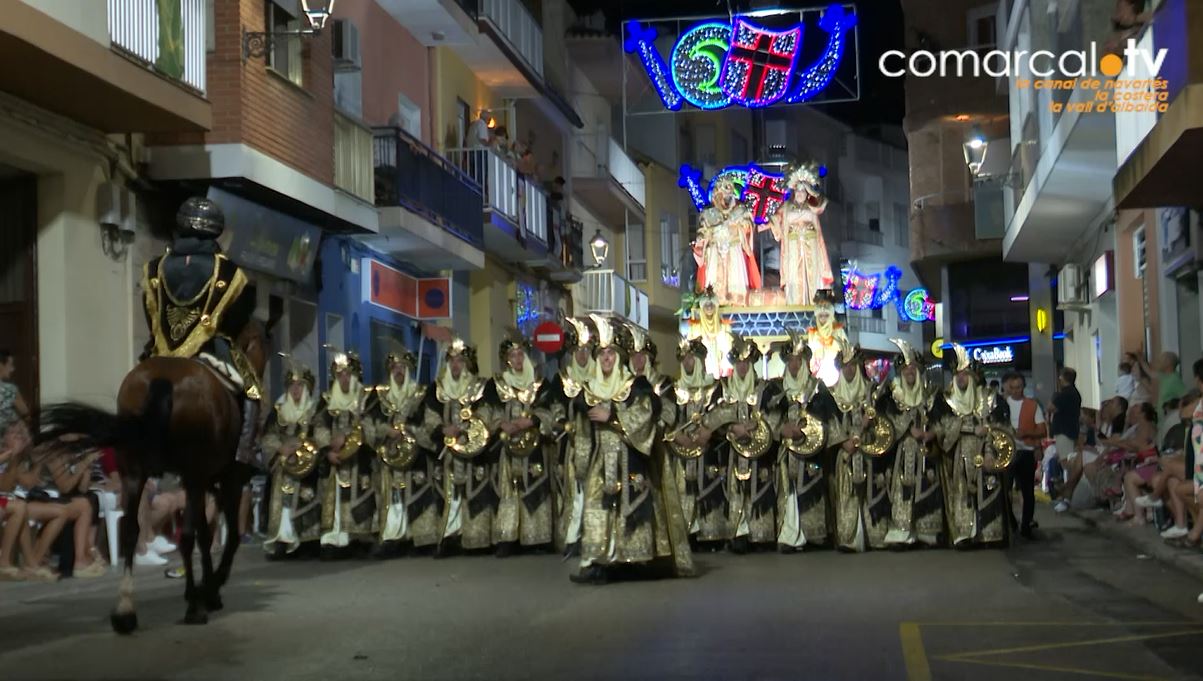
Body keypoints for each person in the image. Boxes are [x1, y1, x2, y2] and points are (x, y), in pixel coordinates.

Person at [570, 315, 692, 584]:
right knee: (598, 508)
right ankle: (600, 562)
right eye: (601, 355)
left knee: (631, 507)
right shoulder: (588, 389)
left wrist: (612, 416)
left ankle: (632, 560)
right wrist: (581, 462)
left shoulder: (636, 386)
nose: (606, 360)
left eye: (611, 355)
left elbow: (646, 414)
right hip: (600, 460)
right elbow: (582, 428)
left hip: (631, 457)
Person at [140, 197, 262, 466]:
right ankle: (245, 449)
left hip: (162, 350)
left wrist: (159, 340)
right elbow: (236, 322)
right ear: (215, 231)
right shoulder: (229, 272)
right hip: (209, 348)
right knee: (251, 386)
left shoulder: (154, 267)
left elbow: (150, 311)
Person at [702, 335, 782, 553]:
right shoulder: (724, 388)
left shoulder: (765, 389)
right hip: (732, 453)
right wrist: (730, 428)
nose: (743, 366)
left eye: (746, 362)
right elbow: (712, 419)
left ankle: (761, 534)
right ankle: (737, 533)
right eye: (739, 363)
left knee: (761, 486)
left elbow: (775, 418)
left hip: (760, 453)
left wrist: (756, 427)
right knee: (734, 491)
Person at [421, 338, 499, 557]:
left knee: (475, 493)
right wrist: (442, 429)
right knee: (450, 495)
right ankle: (450, 537)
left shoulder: (481, 387)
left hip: (474, 453)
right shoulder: (438, 388)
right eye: (452, 361)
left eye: (460, 361)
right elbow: (430, 415)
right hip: (447, 456)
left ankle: (476, 539)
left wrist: (468, 429)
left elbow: (486, 412)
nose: (456, 366)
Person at [937, 344, 1015, 547]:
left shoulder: (988, 399)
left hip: (986, 452)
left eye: (965, 374)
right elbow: (942, 430)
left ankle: (990, 534)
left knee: (989, 489)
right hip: (960, 454)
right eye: (958, 374)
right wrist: (964, 427)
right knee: (962, 493)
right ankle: (965, 534)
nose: (961, 378)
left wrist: (990, 442)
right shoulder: (947, 401)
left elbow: (1002, 428)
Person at [366, 344, 440, 558]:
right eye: (395, 367)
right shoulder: (379, 397)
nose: (398, 371)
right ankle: (392, 537)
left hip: (416, 457)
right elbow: (368, 424)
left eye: (402, 367)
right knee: (393, 497)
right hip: (389, 458)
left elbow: (430, 425)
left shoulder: (420, 395)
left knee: (417, 493)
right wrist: (385, 430)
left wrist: (410, 431)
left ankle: (419, 539)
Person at [492, 332, 555, 557]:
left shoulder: (539, 384)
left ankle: (538, 537)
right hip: (508, 446)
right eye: (513, 355)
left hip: (534, 446)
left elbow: (549, 409)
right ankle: (508, 538)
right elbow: (488, 411)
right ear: (507, 359)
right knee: (510, 488)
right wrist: (501, 423)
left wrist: (532, 420)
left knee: (535, 484)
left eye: (521, 355)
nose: (517, 359)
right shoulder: (498, 385)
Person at [770, 330, 833, 552]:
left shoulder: (816, 388)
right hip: (786, 452)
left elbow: (827, 418)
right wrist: (781, 430)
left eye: (799, 360)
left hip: (811, 451)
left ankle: (813, 534)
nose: (795, 365)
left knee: (812, 487)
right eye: (791, 361)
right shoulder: (776, 388)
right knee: (787, 492)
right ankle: (789, 535)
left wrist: (810, 431)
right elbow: (768, 419)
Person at [828, 341, 891, 552]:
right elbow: (830, 423)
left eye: (853, 365)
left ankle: (873, 537)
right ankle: (849, 538)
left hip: (868, 453)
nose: (849, 369)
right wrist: (843, 442)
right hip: (845, 454)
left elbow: (882, 422)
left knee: (871, 492)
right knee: (847, 495)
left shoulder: (871, 392)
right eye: (845, 366)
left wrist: (867, 428)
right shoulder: (833, 394)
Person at [261, 358, 325, 558]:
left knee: (306, 499)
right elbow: (268, 436)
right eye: (292, 386)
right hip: (283, 467)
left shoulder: (315, 411)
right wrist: (281, 448)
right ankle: (282, 540)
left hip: (308, 467)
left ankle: (306, 542)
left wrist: (305, 446)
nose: (295, 390)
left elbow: (323, 436)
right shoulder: (279, 411)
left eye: (300, 386)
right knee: (283, 503)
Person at [883, 339, 942, 547]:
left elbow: (940, 421)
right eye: (906, 369)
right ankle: (902, 533)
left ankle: (927, 534)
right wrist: (908, 428)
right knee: (902, 490)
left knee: (928, 485)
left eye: (913, 369)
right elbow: (886, 422)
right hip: (900, 452)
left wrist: (932, 433)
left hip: (926, 452)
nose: (910, 372)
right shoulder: (892, 396)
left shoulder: (930, 395)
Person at [317, 349, 376, 558]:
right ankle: (333, 540)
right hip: (334, 461)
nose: (343, 378)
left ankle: (357, 538)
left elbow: (372, 429)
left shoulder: (366, 399)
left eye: (347, 374)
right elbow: (319, 427)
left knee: (359, 497)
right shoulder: (327, 400)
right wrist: (327, 450)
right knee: (333, 501)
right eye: (339, 374)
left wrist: (350, 435)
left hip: (359, 462)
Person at [664, 338, 720, 547]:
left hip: (708, 448)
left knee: (709, 484)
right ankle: (687, 532)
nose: (688, 363)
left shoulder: (713, 387)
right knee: (683, 489)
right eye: (684, 359)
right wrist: (678, 436)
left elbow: (720, 414)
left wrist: (709, 430)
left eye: (692, 359)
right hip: (682, 450)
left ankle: (709, 534)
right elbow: (667, 416)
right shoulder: (675, 388)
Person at [550, 317, 596, 555]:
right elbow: (553, 406)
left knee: (592, 491)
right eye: (578, 351)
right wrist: (561, 421)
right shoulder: (563, 380)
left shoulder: (599, 380)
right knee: (573, 491)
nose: (582, 356)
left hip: (595, 446)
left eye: (586, 350)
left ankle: (591, 536)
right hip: (570, 447)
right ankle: (572, 537)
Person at [768, 163, 834, 306]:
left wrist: (811, 188)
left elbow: (822, 202)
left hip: (811, 244)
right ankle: (795, 305)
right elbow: (775, 221)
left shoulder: (812, 206)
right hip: (793, 244)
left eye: (803, 191)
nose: (800, 194)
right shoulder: (785, 208)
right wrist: (770, 221)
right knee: (794, 275)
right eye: (797, 191)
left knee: (812, 273)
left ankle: (814, 303)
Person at [693, 176, 760, 306]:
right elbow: (702, 231)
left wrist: (739, 225)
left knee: (736, 287)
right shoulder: (708, 214)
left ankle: (736, 305)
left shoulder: (740, 211)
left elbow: (749, 226)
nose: (725, 198)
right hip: (715, 253)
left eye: (728, 195)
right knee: (714, 284)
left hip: (734, 250)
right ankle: (713, 303)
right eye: (722, 195)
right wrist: (701, 239)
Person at [1003, 373, 1046, 539]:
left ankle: (1026, 523)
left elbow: (1042, 430)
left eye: (1018, 387)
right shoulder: (1003, 404)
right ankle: (1013, 522)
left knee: (1027, 490)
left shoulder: (1032, 405)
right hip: (1007, 451)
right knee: (1005, 489)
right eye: (1012, 387)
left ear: (1023, 387)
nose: (1015, 391)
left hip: (1026, 451)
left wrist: (1025, 433)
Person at [1111, 402, 1160, 524]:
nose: (1132, 410)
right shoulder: (1141, 426)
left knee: (1129, 477)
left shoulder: (1146, 426)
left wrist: (1116, 443)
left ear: (1143, 413)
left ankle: (1139, 516)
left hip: (1151, 463)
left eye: (1136, 408)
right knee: (1128, 469)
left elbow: (1139, 446)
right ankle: (1130, 508)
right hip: (1145, 461)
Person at [806, 290, 850, 387]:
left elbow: (847, 352)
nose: (823, 319)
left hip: (836, 370)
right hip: (819, 372)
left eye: (826, 315)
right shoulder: (813, 334)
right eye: (821, 316)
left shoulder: (839, 331)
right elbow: (810, 355)